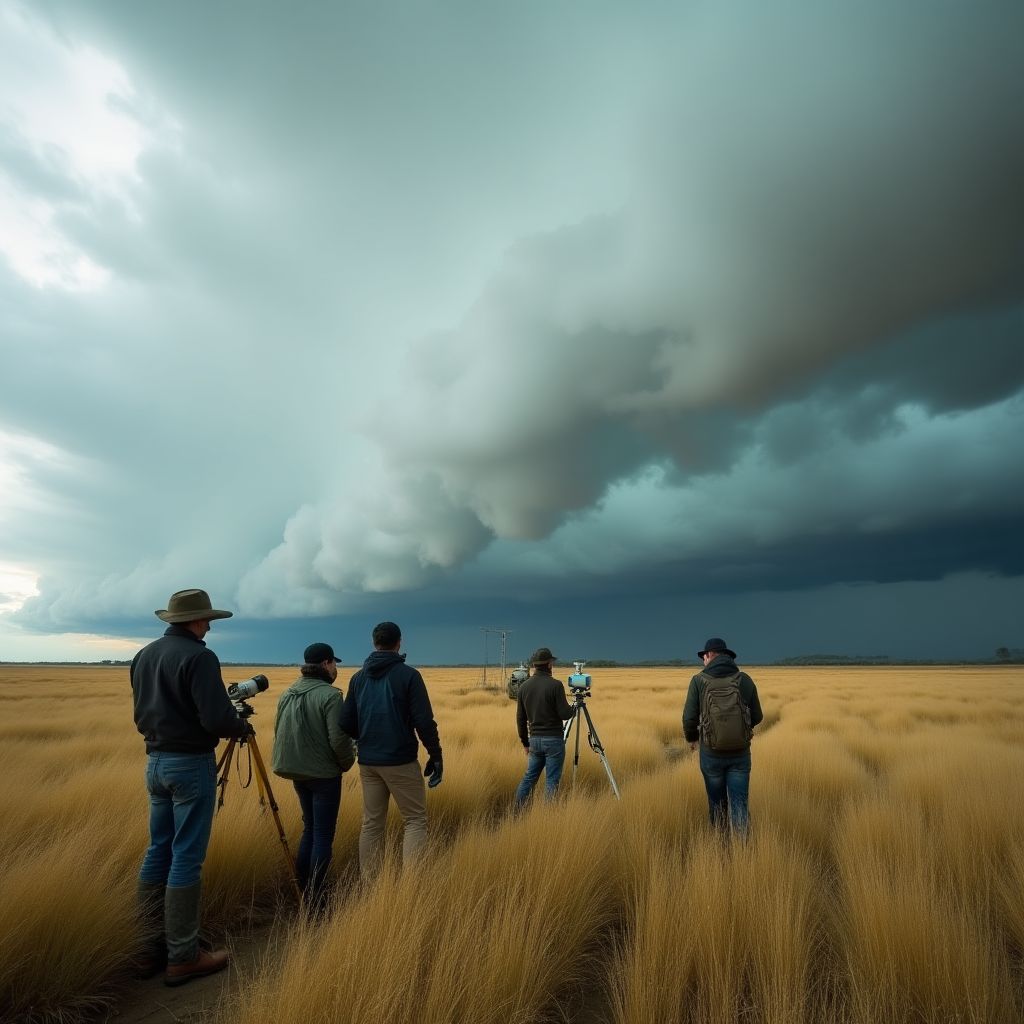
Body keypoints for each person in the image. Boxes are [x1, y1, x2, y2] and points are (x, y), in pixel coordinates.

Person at [130, 588, 251, 986]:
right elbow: (216, 720)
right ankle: (183, 955)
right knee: (186, 856)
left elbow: (140, 715)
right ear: (196, 621)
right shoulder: (200, 657)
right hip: (190, 764)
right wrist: (240, 725)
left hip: (155, 762)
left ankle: (147, 949)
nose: (210, 626)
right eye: (207, 619)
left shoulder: (144, 655)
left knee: (157, 850)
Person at [339, 621, 443, 880]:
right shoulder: (409, 675)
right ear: (399, 643)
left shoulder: (358, 677)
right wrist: (435, 754)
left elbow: (345, 722)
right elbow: (424, 721)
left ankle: (371, 885)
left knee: (372, 823)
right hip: (400, 760)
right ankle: (413, 886)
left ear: (375, 643)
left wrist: (365, 737)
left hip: (368, 762)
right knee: (415, 820)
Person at [271, 641, 356, 913]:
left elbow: (279, 731)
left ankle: (302, 891)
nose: (336, 669)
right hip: (324, 775)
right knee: (322, 835)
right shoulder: (331, 696)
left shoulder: (288, 692)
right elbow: (339, 739)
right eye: (334, 664)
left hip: (297, 772)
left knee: (309, 829)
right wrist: (346, 763)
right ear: (325, 664)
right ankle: (319, 901)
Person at [682, 637, 764, 837]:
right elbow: (758, 716)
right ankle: (743, 852)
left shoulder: (698, 681)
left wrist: (693, 739)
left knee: (717, 804)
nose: (703, 660)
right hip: (740, 754)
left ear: (709, 655)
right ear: (727, 657)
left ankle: (721, 846)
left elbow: (689, 717)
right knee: (740, 804)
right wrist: (744, 729)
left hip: (711, 754)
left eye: (704, 656)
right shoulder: (744, 679)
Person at [514, 647, 574, 807]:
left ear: (534, 665)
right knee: (552, 781)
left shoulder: (523, 687)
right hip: (553, 740)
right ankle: (548, 816)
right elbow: (565, 714)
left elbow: (520, 719)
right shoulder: (555, 685)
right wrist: (574, 707)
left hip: (534, 741)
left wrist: (525, 743)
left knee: (529, 778)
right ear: (549, 664)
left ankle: (517, 811)